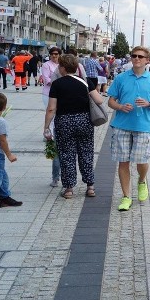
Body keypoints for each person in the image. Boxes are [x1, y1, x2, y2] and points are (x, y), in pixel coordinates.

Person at [106, 46, 150, 211]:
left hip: (144, 126)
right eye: (134, 56)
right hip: (122, 125)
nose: (137, 58)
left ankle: (141, 180)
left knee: (142, 160)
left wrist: (148, 104)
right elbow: (110, 101)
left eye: (140, 56)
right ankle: (126, 197)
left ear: (147, 60)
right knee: (123, 161)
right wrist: (119, 106)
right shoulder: (121, 78)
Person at [42, 54, 104, 199]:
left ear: (62, 68)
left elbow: (51, 108)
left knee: (67, 154)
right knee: (86, 153)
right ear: (76, 67)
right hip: (84, 121)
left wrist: (46, 127)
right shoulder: (86, 81)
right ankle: (90, 187)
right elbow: (99, 100)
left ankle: (69, 189)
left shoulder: (57, 84)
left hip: (64, 122)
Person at [0, 92, 21, 209]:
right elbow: (3, 141)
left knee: (1, 174)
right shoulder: (1, 122)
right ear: (4, 107)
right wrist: (9, 155)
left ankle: (5, 196)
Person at [40, 47, 63, 187]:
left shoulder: (62, 65)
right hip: (48, 93)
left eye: (57, 54)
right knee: (51, 112)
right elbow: (47, 79)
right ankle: (50, 132)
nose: (55, 56)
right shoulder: (46, 65)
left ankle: (54, 131)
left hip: (60, 93)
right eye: (53, 54)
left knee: (58, 115)